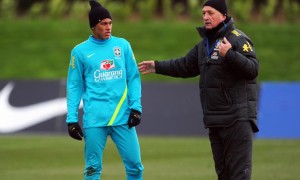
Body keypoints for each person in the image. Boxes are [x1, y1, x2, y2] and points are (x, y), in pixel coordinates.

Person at [138, 0, 259, 179]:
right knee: (223, 175)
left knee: (239, 176)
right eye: (203, 13)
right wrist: (157, 66)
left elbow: (252, 70)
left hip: (237, 119)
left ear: (223, 15)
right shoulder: (205, 45)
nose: (206, 17)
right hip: (215, 120)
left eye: (210, 13)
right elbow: (184, 65)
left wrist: (230, 55)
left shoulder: (237, 39)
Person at [66, 0, 144, 179]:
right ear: (93, 26)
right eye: (103, 24)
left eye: (110, 23)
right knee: (92, 169)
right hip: (95, 119)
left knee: (136, 167)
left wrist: (136, 107)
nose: (108, 27)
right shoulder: (79, 52)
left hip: (122, 117)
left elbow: (133, 78)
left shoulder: (122, 45)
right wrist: (71, 119)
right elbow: (74, 86)